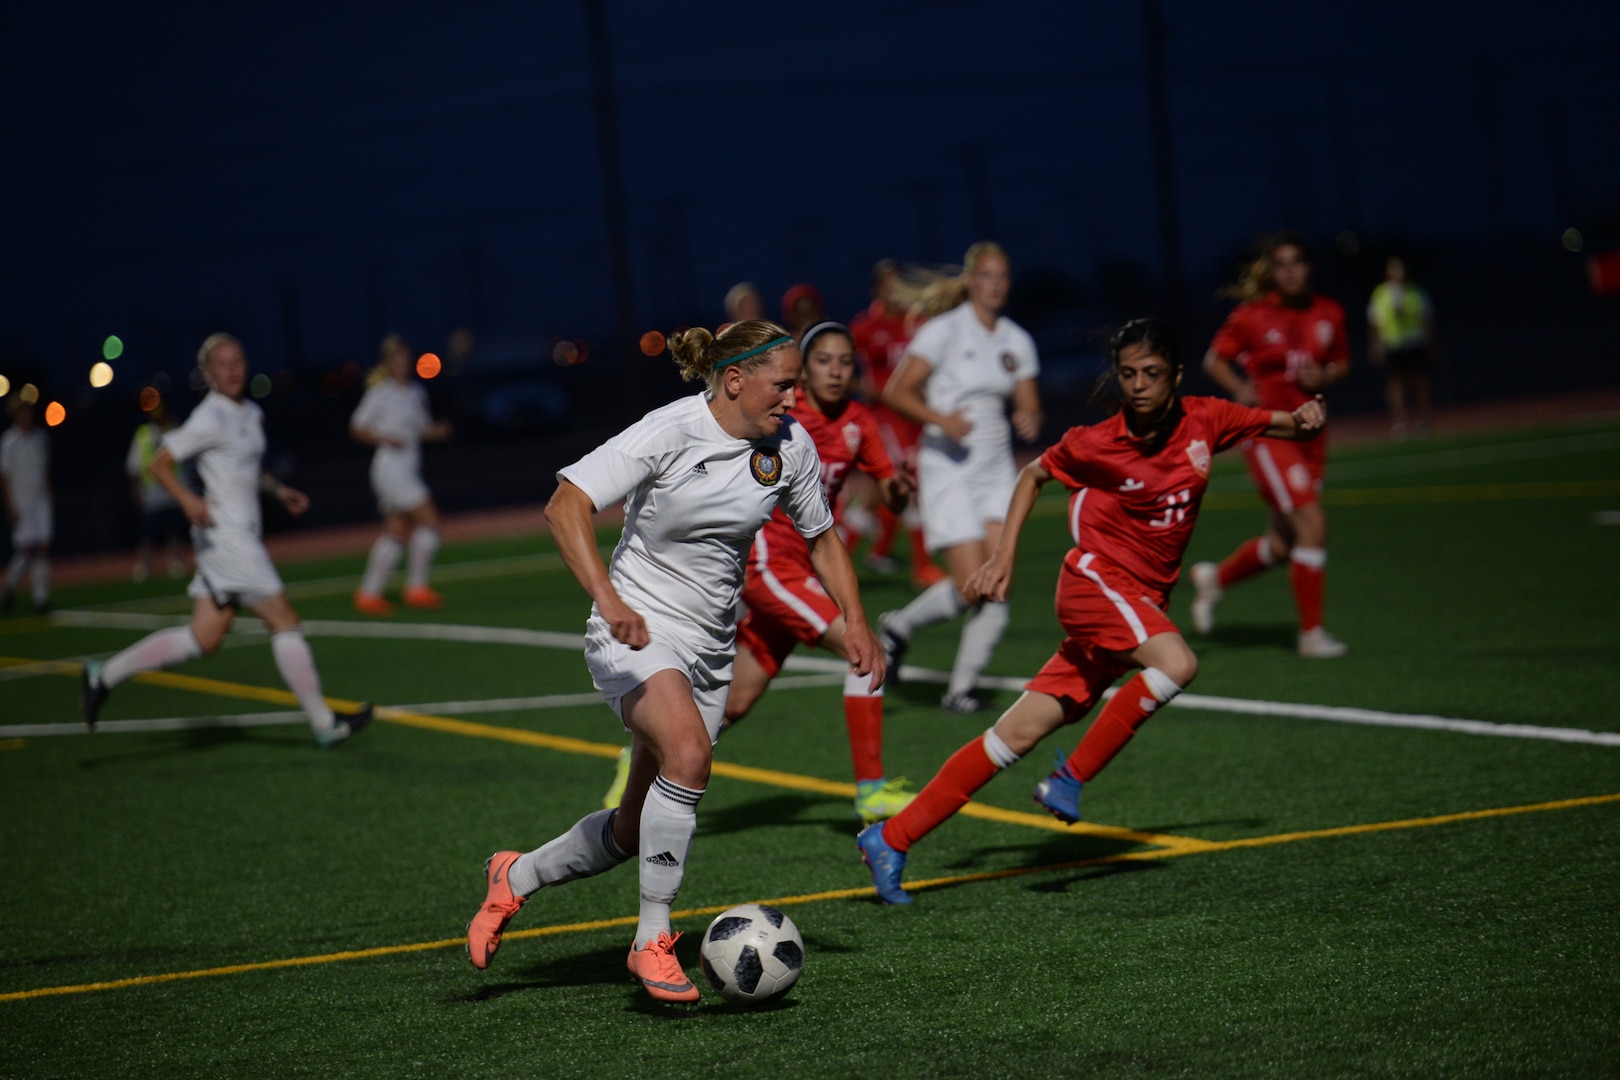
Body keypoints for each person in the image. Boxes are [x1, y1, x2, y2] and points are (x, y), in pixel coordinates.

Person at [466, 320, 884, 1003]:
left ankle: (516, 877)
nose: (795, 399)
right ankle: (652, 940)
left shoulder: (791, 445)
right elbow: (564, 505)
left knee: (632, 830)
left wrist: (857, 621)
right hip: (633, 630)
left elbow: (824, 537)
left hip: (712, 646)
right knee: (688, 754)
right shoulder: (668, 430)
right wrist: (608, 597)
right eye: (784, 384)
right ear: (735, 379)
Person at [856, 318, 1328, 904]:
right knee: (1177, 663)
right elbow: (1033, 475)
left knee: (1013, 735)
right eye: (1128, 374)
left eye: (1152, 374)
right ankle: (1069, 779)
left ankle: (892, 837)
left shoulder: (1207, 419)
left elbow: (1279, 421)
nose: (1138, 386)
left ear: (1175, 377)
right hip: (1094, 583)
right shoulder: (1097, 441)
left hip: (1136, 602)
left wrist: (1307, 418)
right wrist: (1004, 557)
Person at [81, 333, 373, 746]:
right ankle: (324, 723)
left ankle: (103, 675)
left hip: (233, 538)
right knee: (285, 620)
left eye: (237, 361)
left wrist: (277, 490)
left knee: (204, 637)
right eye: (223, 363)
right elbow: (159, 463)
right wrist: (187, 500)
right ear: (208, 374)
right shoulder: (209, 417)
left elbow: (249, 469)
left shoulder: (250, 412)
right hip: (226, 537)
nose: (232, 369)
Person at [727, 321, 914, 823]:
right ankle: (871, 791)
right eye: (824, 361)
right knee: (863, 649)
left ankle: (641, 756)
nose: (836, 370)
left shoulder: (860, 420)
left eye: (845, 361)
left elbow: (887, 482)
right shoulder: (783, 414)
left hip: (808, 567)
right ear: (802, 371)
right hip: (769, 564)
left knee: (735, 700)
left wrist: (898, 491)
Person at [875, 241, 1042, 714]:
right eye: (986, 276)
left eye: (1002, 277)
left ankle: (960, 690)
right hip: (947, 466)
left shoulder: (1016, 339)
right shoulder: (943, 332)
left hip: (994, 470)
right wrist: (940, 419)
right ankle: (898, 627)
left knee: (997, 584)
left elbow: (1028, 400)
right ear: (971, 281)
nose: (995, 285)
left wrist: (1029, 415)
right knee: (972, 584)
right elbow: (897, 390)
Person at [1189, 233, 1350, 658]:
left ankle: (1215, 579)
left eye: (1297, 261)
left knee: (1282, 545)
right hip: (1270, 434)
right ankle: (1311, 635)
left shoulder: (1329, 312)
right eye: (1281, 264)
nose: (1290, 270)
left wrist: (1327, 376)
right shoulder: (1252, 317)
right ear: (1271, 272)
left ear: (1308, 266)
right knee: (1312, 524)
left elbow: (1342, 361)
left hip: (1312, 437)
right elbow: (1214, 360)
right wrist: (1241, 389)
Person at [850, 259, 947, 587]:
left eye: (898, 284)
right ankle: (922, 566)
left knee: (877, 500)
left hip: (914, 417)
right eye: (888, 286)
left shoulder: (915, 323)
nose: (895, 292)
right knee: (909, 481)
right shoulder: (864, 327)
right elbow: (844, 369)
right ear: (877, 290)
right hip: (884, 419)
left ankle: (842, 560)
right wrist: (867, 390)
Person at [350, 334, 454, 615]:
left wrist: (438, 432)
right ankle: (417, 588)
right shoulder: (379, 392)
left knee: (396, 531)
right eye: (395, 359)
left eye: (404, 359)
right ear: (386, 363)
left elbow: (421, 429)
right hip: (390, 469)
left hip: (406, 469)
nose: (401, 364)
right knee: (430, 521)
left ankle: (369, 594)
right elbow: (357, 427)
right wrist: (383, 437)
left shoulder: (415, 393)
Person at [1367, 256, 1435, 440]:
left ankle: (1423, 421)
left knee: (1419, 383)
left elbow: (1428, 319)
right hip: (1393, 345)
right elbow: (1374, 322)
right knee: (1396, 386)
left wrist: (1430, 342)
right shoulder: (1381, 293)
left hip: (1415, 342)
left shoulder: (1416, 291)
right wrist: (1375, 345)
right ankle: (1400, 424)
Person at [126, 398, 191, 583]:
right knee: (149, 531)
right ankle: (144, 564)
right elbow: (135, 466)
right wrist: (137, 491)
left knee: (175, 529)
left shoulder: (174, 430)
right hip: (153, 491)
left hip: (174, 488)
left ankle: (176, 561)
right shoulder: (143, 434)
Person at [0, 399, 52, 614]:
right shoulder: (9, 441)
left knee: (42, 548)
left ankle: (41, 599)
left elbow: (45, 469)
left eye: (29, 413)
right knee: (27, 549)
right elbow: (4, 476)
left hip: (40, 500)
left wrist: (50, 493)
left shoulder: (40, 438)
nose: (27, 417)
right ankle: (9, 587)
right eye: (22, 413)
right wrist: (9, 504)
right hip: (21, 501)